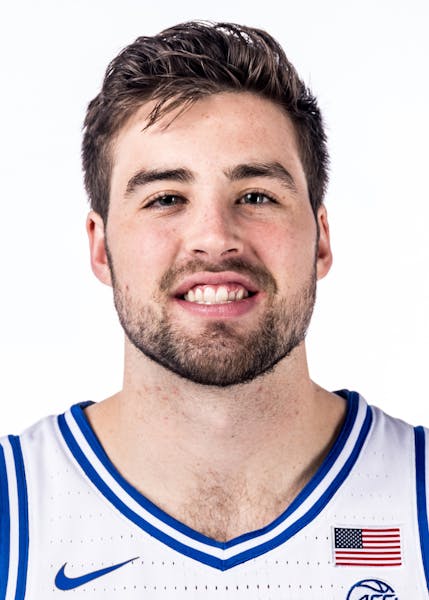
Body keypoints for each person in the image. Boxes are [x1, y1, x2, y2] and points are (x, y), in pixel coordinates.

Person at [0, 21, 427, 599]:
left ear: (321, 239)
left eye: (256, 196)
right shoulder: (15, 507)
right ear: (101, 249)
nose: (214, 239)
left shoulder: (417, 496)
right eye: (165, 199)